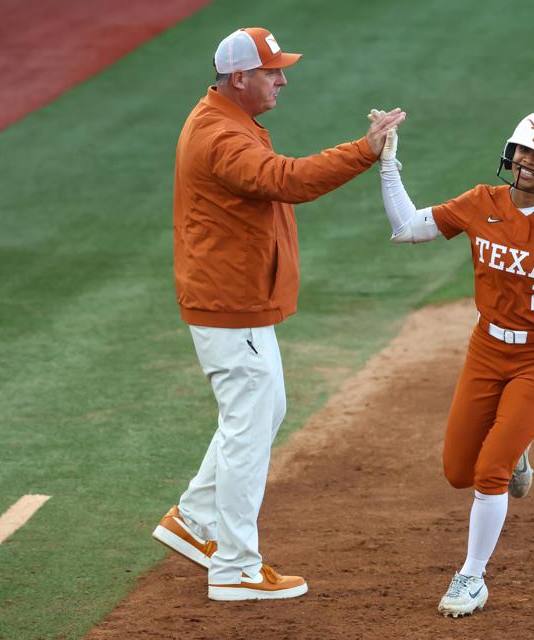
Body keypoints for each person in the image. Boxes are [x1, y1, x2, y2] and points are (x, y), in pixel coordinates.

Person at [152, 27, 405, 602]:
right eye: (272, 72)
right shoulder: (221, 135)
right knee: (247, 429)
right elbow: (288, 181)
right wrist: (363, 151)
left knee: (264, 412)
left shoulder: (226, 120)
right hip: (230, 304)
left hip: (235, 299)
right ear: (239, 77)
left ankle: (193, 519)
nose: (283, 80)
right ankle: (235, 567)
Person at [369, 109, 534, 617]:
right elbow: (407, 228)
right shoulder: (480, 203)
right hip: (486, 350)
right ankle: (518, 449)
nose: (527, 162)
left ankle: (471, 577)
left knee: (489, 472)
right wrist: (388, 165)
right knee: (457, 472)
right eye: (523, 150)